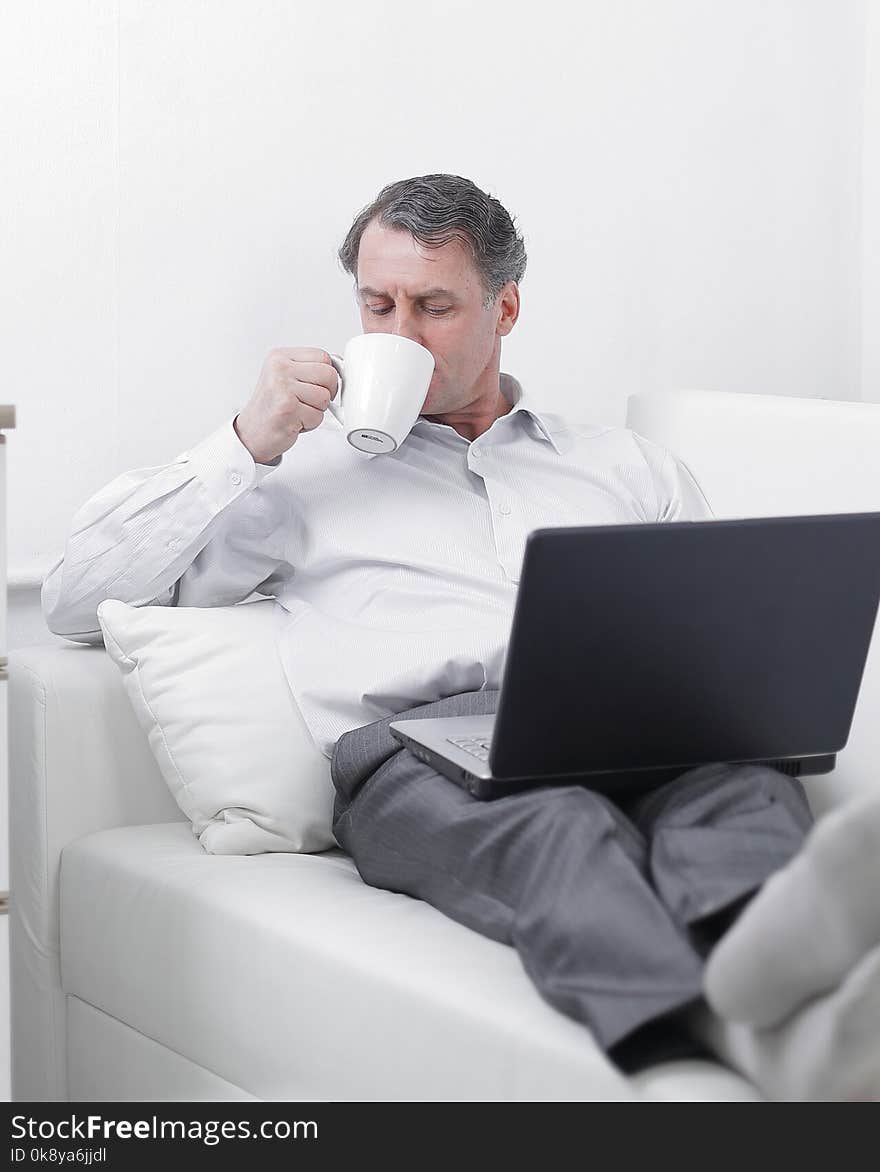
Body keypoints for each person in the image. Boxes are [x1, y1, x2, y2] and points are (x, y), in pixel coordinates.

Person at [42, 174, 877, 1099]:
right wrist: (249, 436)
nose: (398, 334)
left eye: (434, 306)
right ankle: (689, 1056)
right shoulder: (296, 475)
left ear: (505, 307)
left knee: (740, 791)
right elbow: (79, 598)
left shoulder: (623, 466)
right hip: (417, 755)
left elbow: (720, 637)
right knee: (562, 828)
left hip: (636, 731)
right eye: (377, 304)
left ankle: (785, 989)